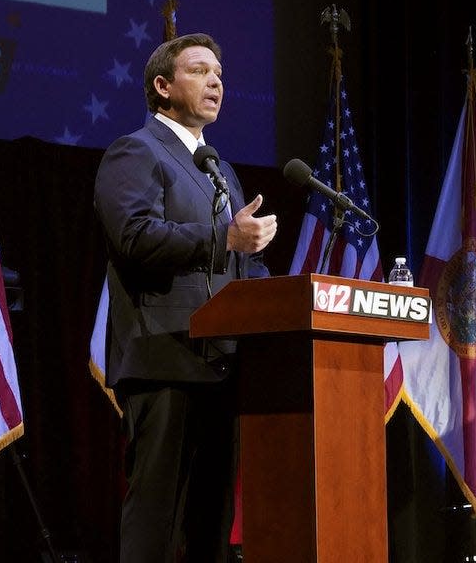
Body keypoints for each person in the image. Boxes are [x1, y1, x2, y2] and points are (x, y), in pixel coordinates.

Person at [93, 33, 277, 563]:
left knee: (212, 527)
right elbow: (134, 236)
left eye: (218, 72)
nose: (215, 80)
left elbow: (240, 265)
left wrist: (286, 290)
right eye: (199, 70)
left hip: (221, 363)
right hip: (164, 358)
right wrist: (226, 238)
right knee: (156, 522)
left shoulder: (219, 168)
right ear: (162, 86)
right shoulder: (136, 151)